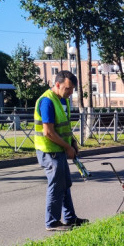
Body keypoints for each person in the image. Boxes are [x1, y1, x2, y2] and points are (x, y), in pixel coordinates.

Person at [33, 70, 89, 231]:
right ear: (57, 84)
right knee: (56, 185)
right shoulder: (47, 102)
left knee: (64, 184)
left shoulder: (61, 100)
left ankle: (70, 218)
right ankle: (52, 222)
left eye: (72, 90)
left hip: (59, 149)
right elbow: (48, 132)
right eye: (68, 88)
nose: (71, 93)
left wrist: (72, 142)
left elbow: (63, 126)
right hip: (49, 150)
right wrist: (67, 147)